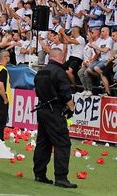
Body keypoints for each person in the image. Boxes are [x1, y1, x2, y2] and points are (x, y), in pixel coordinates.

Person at [33, 48, 76, 189]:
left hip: (42, 109)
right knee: (63, 143)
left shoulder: (40, 72)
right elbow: (66, 94)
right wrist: (71, 108)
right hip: (54, 111)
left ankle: (39, 174)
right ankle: (61, 177)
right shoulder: (59, 72)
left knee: (43, 142)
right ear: (61, 57)